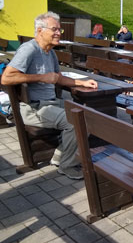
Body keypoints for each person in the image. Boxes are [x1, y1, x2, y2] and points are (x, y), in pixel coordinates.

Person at [1, 12, 98, 180]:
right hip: (33, 107)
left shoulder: (50, 52)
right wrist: (40, 77)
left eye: (59, 29)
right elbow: (6, 77)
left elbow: (57, 78)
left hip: (51, 103)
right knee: (75, 122)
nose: (59, 33)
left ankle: (60, 156)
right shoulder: (29, 49)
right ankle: (66, 165)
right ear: (40, 31)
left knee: (88, 115)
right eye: (54, 29)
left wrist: (82, 83)